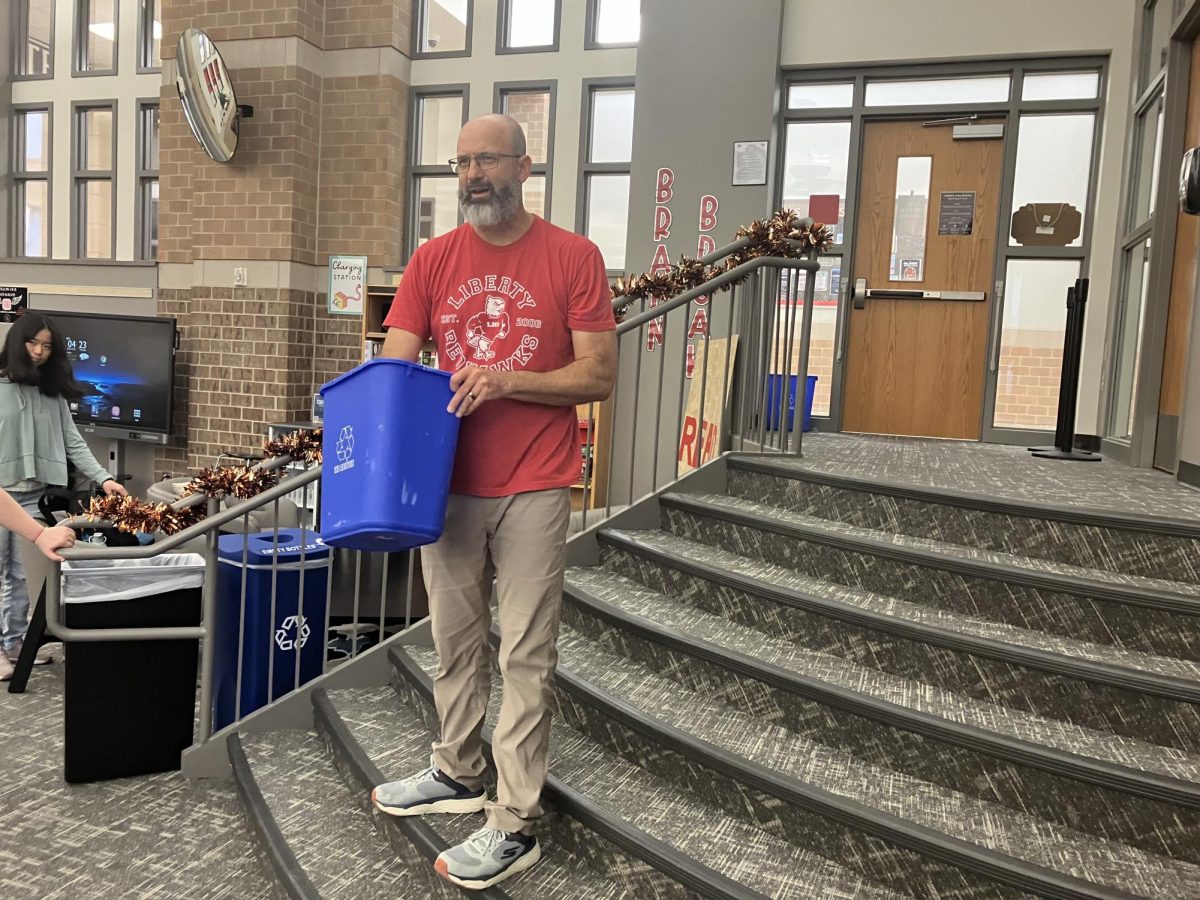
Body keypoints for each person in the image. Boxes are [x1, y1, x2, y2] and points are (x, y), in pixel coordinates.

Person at [370, 114, 617, 890]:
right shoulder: (432, 259)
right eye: (462, 162)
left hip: (537, 482)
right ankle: (457, 769)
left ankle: (514, 821)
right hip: (445, 485)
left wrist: (508, 380)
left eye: (488, 159)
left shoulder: (573, 257)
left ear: (524, 164)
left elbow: (599, 375)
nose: (473, 174)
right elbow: (395, 365)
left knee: (525, 653)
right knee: (453, 641)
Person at [0, 313, 128, 681]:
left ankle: (15, 641)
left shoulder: (51, 391)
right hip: (2, 494)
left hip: (34, 496)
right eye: (32, 343)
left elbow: (73, 441)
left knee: (26, 574)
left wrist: (104, 479)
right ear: (16, 342)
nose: (39, 352)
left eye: (47, 346)